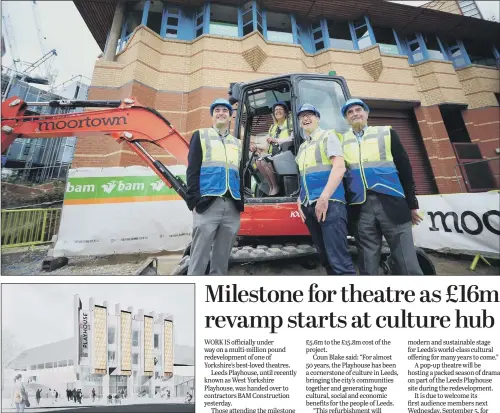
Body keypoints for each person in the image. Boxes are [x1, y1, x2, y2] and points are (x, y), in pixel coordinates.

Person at [340, 98, 423, 275]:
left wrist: (412, 203)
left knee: (406, 261)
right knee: (367, 262)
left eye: (358, 110)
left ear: (367, 113)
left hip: (391, 202)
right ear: (346, 119)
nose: (355, 114)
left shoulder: (386, 133)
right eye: (350, 112)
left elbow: (405, 168)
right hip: (360, 207)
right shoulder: (342, 141)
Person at [295, 103, 356, 275]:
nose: (306, 118)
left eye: (310, 114)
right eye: (302, 116)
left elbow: (339, 167)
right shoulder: (302, 147)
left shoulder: (328, 136)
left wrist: (324, 197)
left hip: (330, 204)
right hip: (310, 205)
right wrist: (300, 198)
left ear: (318, 118)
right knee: (326, 259)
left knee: (339, 261)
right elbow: (305, 176)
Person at [185, 98, 243, 275]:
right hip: (208, 203)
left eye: (225, 111)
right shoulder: (201, 135)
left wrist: (241, 201)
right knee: (199, 254)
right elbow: (192, 170)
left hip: (232, 204)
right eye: (217, 110)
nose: (221, 113)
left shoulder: (237, 143)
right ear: (212, 116)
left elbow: (238, 174)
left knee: (222, 255)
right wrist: (194, 200)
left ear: (230, 116)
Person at [249, 101, 294, 196]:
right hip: (274, 154)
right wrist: (256, 146)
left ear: (285, 112)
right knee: (258, 161)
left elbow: (293, 138)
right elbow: (267, 145)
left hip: (286, 153)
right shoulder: (272, 127)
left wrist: (277, 140)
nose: (277, 111)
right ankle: (272, 186)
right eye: (276, 110)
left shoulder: (291, 124)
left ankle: (276, 187)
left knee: (264, 161)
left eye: (280, 109)